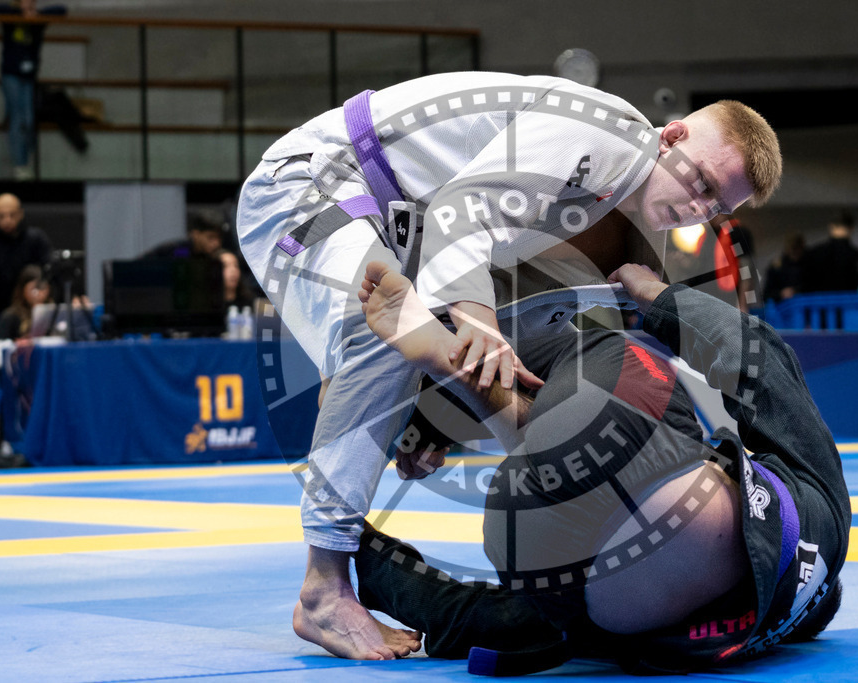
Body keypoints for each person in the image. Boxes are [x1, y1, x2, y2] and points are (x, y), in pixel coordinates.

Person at [235, 70, 782, 660]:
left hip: (400, 224)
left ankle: (428, 412)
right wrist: (477, 325)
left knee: (528, 341)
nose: (694, 208)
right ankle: (323, 589)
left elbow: (520, 296)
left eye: (714, 206)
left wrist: (437, 408)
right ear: (671, 137)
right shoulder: (605, 137)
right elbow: (460, 210)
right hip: (313, 185)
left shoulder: (623, 213)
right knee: (386, 338)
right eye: (699, 182)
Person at [352, 259, 850, 674]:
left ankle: (461, 357)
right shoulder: (711, 639)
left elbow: (758, 358)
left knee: (602, 358)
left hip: (633, 449)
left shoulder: (825, 520)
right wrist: (360, 548)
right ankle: (454, 380)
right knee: (557, 472)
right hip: (539, 558)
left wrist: (655, 296)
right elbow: (462, 616)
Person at [0, 0, 66, 180]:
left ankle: (26, 160)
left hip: (28, 77)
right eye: (24, 5)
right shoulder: (11, 18)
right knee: (17, 116)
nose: (28, 9)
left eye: (31, 5)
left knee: (29, 118)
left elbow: (61, 9)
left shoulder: (38, 22)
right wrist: (18, 13)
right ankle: (19, 165)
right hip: (11, 75)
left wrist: (36, 14)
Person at [0, 192, 51, 309]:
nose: (7, 220)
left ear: (20, 214)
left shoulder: (36, 239)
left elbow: (48, 271)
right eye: (1, 216)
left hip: (31, 307)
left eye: (12, 215)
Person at [800, 209, 858, 293]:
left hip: (818, 304)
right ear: (852, 228)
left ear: (831, 226)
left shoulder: (813, 254)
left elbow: (804, 286)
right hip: (849, 304)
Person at [142, 209, 224, 261]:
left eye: (219, 237)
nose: (217, 243)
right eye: (211, 237)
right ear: (196, 234)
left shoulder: (217, 255)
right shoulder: (181, 251)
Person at [0, 262, 46, 338]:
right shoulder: (11, 316)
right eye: (34, 289)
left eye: (42, 288)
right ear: (22, 289)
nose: (38, 294)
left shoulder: (50, 313)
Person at [763, 231, 805, 302]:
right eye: (793, 248)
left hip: (804, 305)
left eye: (798, 248)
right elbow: (766, 294)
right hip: (783, 308)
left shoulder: (808, 264)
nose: (796, 252)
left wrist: (796, 290)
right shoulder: (777, 267)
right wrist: (781, 294)